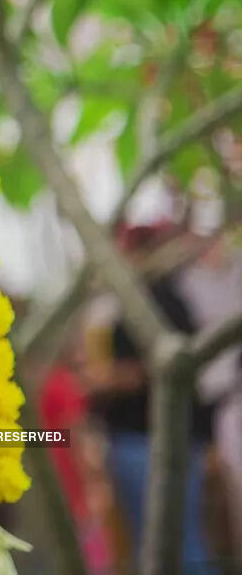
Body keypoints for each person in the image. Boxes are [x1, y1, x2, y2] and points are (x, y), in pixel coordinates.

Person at [86, 223, 218, 573]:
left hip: (149, 439)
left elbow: (156, 369)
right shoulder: (149, 300)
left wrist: (107, 379)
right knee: (168, 542)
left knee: (177, 544)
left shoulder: (160, 299)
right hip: (154, 438)